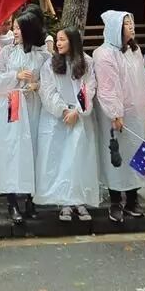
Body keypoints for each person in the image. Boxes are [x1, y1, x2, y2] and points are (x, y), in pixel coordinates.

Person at [0, 11, 46, 223]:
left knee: (33, 150)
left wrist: (37, 85)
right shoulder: (8, 52)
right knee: (11, 151)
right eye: (15, 28)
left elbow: (50, 81)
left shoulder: (42, 55)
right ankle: (12, 202)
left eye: (19, 28)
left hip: (33, 107)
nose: (15, 32)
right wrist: (15, 76)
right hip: (11, 108)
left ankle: (31, 198)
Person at [35, 28, 99, 221]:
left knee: (79, 159)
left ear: (73, 41)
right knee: (60, 160)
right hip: (57, 119)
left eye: (62, 40)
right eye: (57, 40)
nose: (58, 43)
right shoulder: (50, 64)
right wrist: (63, 110)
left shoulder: (87, 62)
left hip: (79, 117)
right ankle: (64, 203)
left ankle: (80, 201)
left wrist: (77, 111)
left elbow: (89, 88)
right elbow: (48, 91)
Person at [93, 11, 145, 223]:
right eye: (126, 23)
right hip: (116, 116)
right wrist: (115, 113)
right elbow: (107, 88)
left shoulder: (135, 51)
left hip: (137, 113)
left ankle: (133, 198)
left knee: (138, 154)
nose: (131, 26)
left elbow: (143, 78)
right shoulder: (103, 54)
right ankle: (115, 200)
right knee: (116, 157)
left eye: (132, 22)